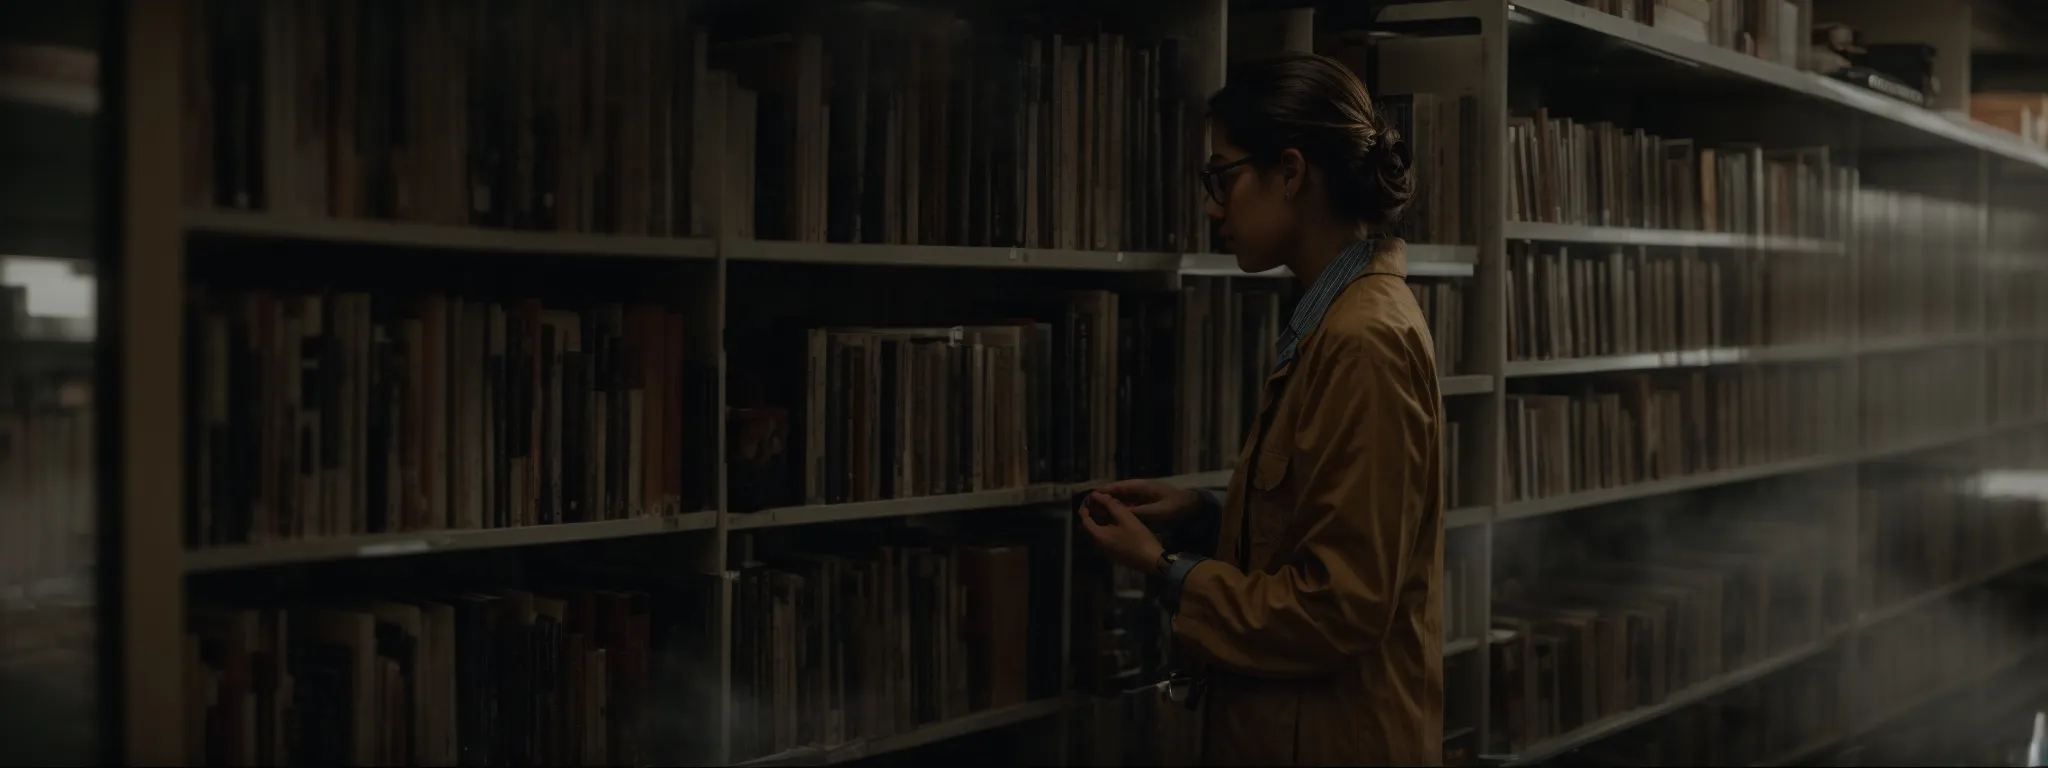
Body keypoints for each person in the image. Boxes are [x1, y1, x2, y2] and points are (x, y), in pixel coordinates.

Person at [1077, 51, 1444, 766]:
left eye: (1223, 175)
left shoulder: (1362, 340)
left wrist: (1163, 567)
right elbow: (1322, 518)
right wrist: (1210, 513)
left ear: (1291, 172)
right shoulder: (1335, 320)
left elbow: (1340, 605)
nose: (1213, 205)